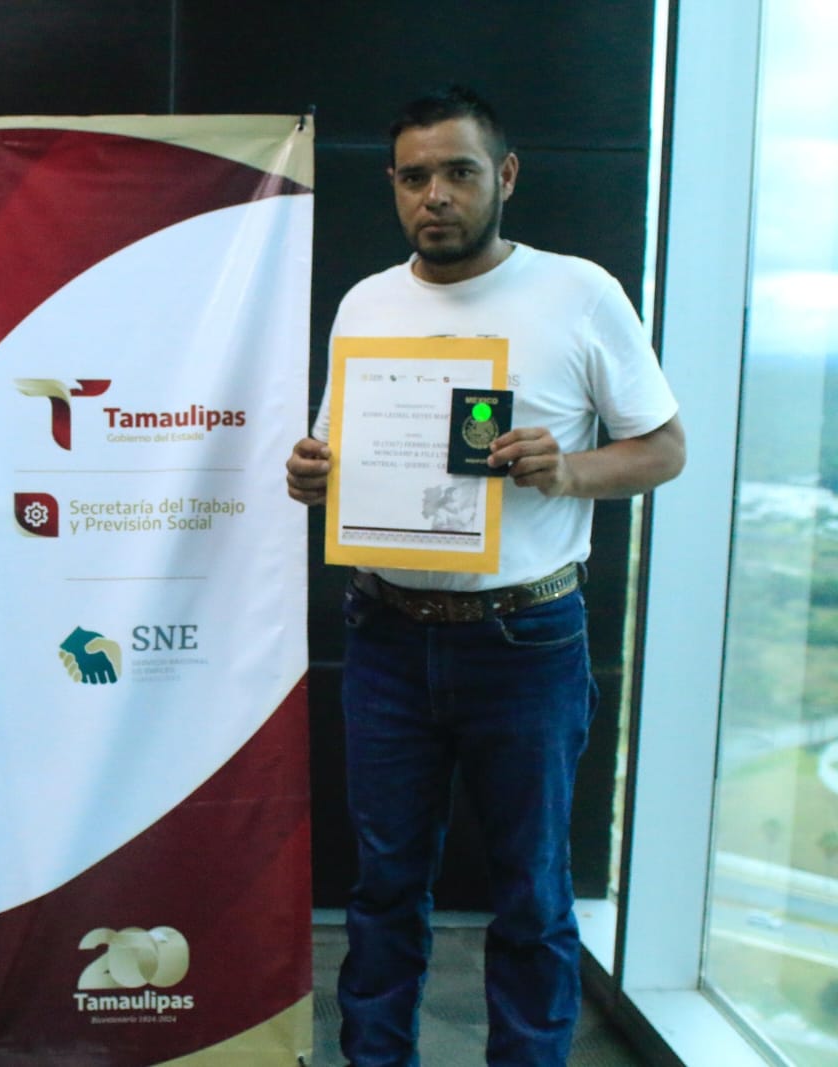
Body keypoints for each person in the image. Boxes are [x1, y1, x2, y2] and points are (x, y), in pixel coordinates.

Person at [285, 85, 685, 1066]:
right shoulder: (366, 301)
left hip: (525, 640)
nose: (436, 195)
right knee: (383, 887)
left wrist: (569, 469)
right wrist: (311, 474)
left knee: (532, 894)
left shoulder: (579, 292)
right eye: (414, 176)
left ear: (504, 175)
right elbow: (338, 451)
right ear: (393, 185)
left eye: (459, 172)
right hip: (385, 633)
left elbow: (664, 447)